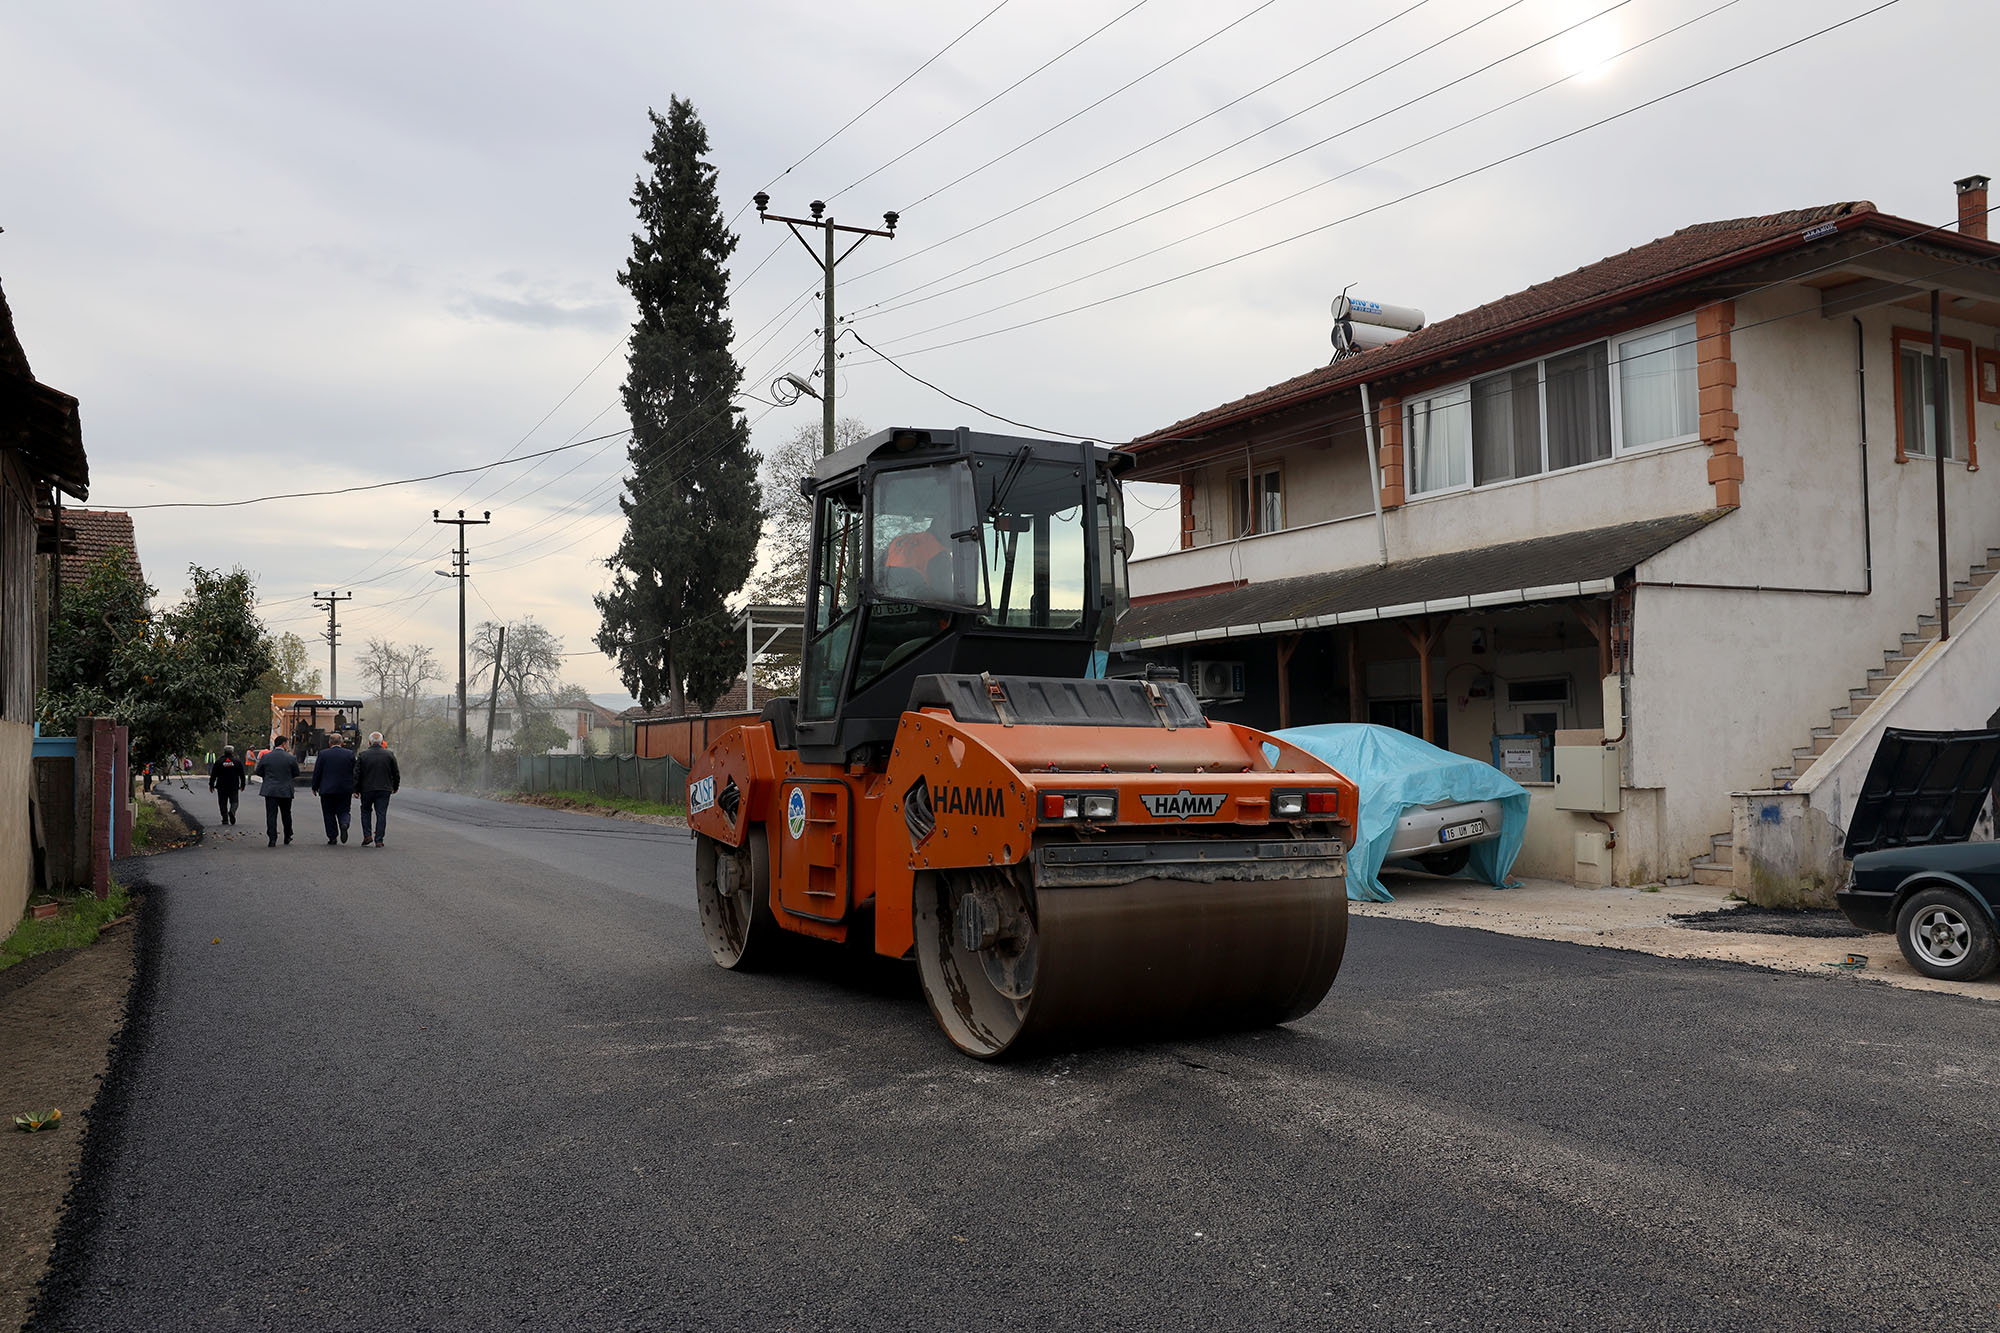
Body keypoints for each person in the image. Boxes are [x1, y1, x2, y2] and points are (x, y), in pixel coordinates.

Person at [354, 731, 401, 847]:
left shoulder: (363, 755)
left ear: (369, 742)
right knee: (381, 813)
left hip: (367, 789)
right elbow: (396, 773)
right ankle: (379, 840)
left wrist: (356, 789)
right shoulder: (389, 755)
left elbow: (357, 774)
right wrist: (395, 787)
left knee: (365, 811)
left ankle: (367, 835)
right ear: (381, 742)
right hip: (384, 789)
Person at [312, 733, 358, 845]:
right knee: (345, 810)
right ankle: (344, 823)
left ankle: (332, 837)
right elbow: (355, 772)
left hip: (327, 789)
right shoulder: (350, 754)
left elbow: (317, 771)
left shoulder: (323, 754)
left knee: (328, 813)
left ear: (329, 742)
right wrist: (356, 788)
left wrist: (315, 786)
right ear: (342, 742)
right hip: (345, 789)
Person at [253, 738, 300, 847]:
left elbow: (259, 771)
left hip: (270, 790)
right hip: (285, 790)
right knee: (286, 813)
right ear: (283, 744)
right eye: (287, 744)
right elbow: (296, 772)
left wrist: (268, 778)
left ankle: (272, 838)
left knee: (271, 814)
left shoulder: (266, 757)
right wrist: (287, 778)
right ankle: (287, 835)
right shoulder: (290, 758)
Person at [208, 745, 247, 825]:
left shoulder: (219, 762)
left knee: (222, 802)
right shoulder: (237, 762)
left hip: (221, 786)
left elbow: (213, 774)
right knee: (234, 801)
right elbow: (242, 774)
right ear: (232, 752)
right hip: (234, 786)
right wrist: (243, 784)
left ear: (224, 752)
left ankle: (225, 819)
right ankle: (232, 811)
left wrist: (211, 785)